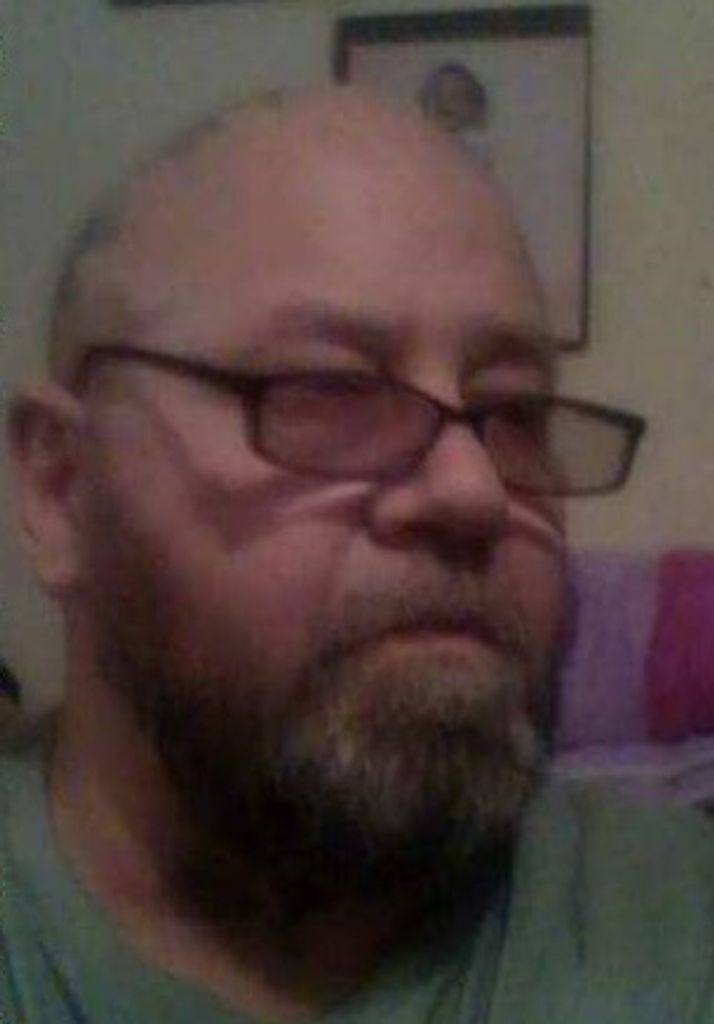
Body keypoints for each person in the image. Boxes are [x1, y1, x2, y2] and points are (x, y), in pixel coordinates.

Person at [2, 87, 712, 1024]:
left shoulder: (677, 922)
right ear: (62, 488)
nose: (474, 491)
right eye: (328, 389)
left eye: (514, 412)